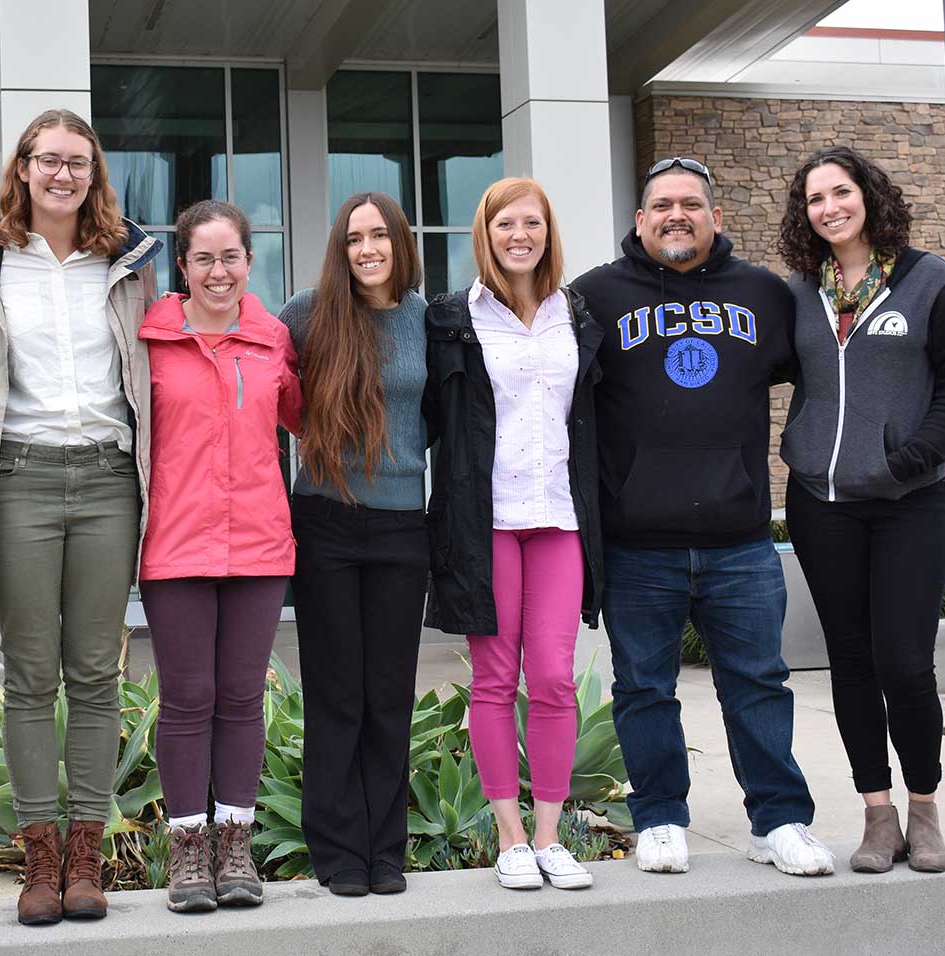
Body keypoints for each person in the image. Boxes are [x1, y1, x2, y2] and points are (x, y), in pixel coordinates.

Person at [570, 156, 835, 877]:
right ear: (640, 220)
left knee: (758, 684)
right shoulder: (593, 296)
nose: (675, 214)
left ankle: (778, 821)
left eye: (691, 203)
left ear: (716, 216)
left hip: (740, 541)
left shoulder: (766, 295)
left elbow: (828, 373)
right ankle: (659, 818)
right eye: (662, 205)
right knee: (644, 689)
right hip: (637, 545)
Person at [0, 108, 162, 925]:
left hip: (109, 481)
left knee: (98, 674)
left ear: (94, 173)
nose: (62, 174)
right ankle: (39, 865)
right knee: (31, 675)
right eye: (48, 160)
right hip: (22, 479)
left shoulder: (127, 260)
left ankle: (87, 858)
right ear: (23, 168)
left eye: (77, 162)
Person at [775, 146, 945, 874]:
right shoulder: (800, 292)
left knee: (904, 660)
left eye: (840, 192)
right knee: (852, 662)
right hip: (820, 505)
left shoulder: (930, 282)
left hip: (906, 506)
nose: (828, 207)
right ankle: (876, 813)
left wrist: (907, 463)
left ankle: (924, 812)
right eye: (814, 199)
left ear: (869, 194)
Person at [424, 177, 602, 891]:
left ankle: (553, 836)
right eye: (504, 224)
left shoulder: (578, 315)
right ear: (485, 234)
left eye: (531, 223)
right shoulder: (453, 318)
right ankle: (510, 838)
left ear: (547, 232)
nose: (518, 235)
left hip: (560, 517)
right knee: (496, 680)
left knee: (555, 679)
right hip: (486, 520)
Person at [137, 199, 302, 912]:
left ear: (249, 260)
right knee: (187, 700)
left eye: (229, 256)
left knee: (241, 699)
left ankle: (235, 847)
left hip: (260, 545)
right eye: (203, 258)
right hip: (174, 545)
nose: (217, 271)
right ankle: (186, 855)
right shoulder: (150, 342)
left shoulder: (273, 339)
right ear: (182, 265)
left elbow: (307, 415)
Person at [277, 192, 427, 897]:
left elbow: (441, 419)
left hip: (403, 525)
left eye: (379, 236)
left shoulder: (432, 320)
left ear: (400, 242)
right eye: (354, 238)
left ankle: (386, 851)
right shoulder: (309, 314)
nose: (367, 249)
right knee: (337, 694)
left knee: (390, 696)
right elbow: (267, 392)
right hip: (326, 521)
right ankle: (338, 851)